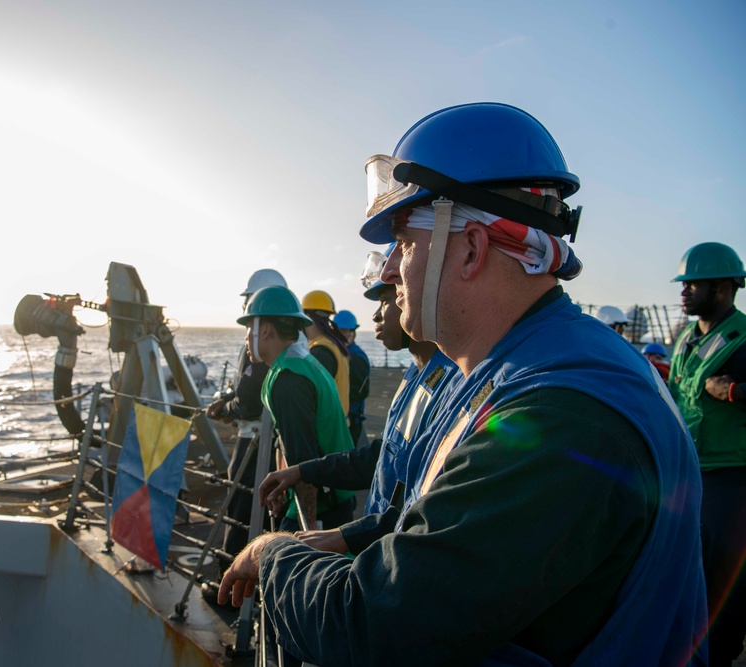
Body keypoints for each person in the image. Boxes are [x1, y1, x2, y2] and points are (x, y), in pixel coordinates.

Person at [219, 102, 707, 666]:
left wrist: (273, 552)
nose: (392, 269)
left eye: (404, 242)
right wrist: (345, 541)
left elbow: (373, 628)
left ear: (471, 248)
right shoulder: (500, 375)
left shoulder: (561, 413)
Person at [258, 244, 460, 556]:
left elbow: (427, 500)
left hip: (399, 554)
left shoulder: (451, 382)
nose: (377, 315)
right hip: (380, 539)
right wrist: (303, 471)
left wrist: (345, 534)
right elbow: (387, 456)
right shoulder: (414, 374)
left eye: (385, 300)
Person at [668, 242, 746, 666]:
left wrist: (733, 390)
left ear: (722, 289)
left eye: (692, 283)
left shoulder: (743, 340)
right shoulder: (685, 340)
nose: (683, 291)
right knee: (685, 577)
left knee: (724, 588)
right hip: (690, 475)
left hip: (731, 481)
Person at [237, 285, 356, 534]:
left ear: (266, 330)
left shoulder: (287, 379)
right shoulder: (303, 362)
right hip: (337, 495)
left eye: (249, 328)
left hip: (324, 506)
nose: (247, 338)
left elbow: (304, 457)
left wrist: (308, 528)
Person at [205, 268, 286, 577]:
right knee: (263, 516)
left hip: (253, 444)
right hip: (272, 443)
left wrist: (225, 407)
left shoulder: (258, 343)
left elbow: (249, 400)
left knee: (241, 511)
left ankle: (228, 582)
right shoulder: (292, 346)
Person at [300, 290, 350, 416]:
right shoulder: (333, 345)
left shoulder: (320, 352)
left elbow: (314, 400)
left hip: (327, 431)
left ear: (308, 317)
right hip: (339, 426)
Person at [330, 309, 370, 445]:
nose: (343, 334)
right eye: (340, 331)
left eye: (346, 331)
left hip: (351, 420)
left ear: (353, 333)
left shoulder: (356, 357)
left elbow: (360, 391)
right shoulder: (341, 353)